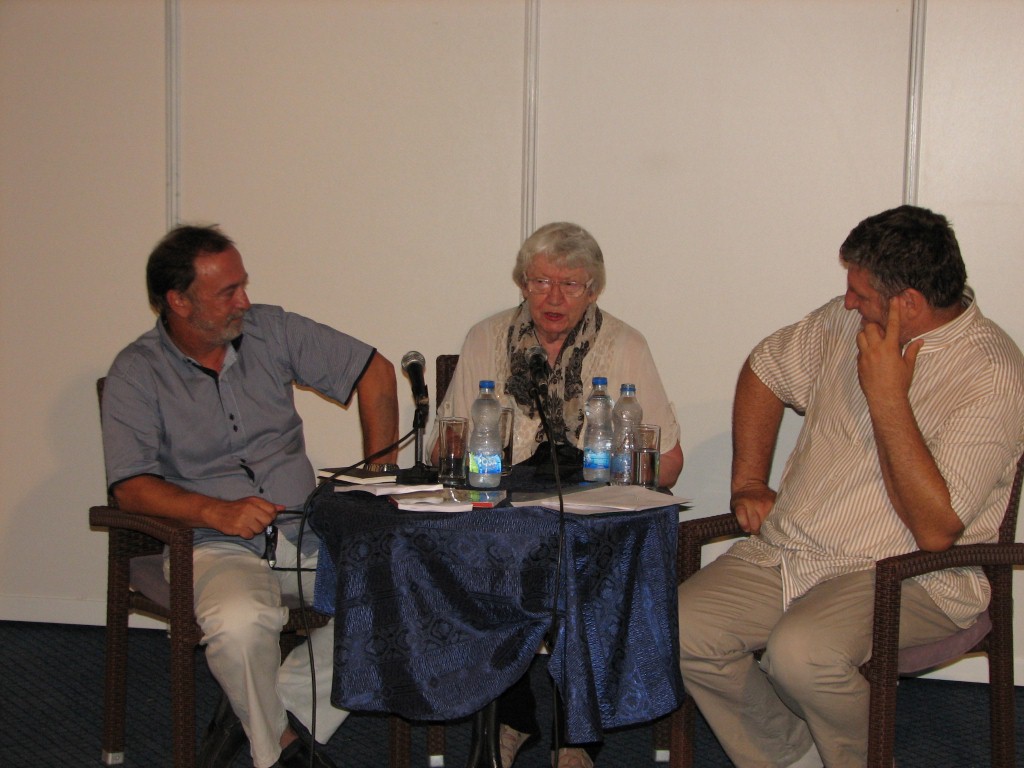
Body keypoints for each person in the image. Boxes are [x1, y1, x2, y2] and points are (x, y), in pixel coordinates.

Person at [677, 205, 1024, 767]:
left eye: (860, 293)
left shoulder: (992, 374)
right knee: (679, 627)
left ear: (908, 302)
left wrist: (887, 395)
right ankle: (791, 756)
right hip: (792, 551)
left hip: (911, 573)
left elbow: (936, 532)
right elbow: (766, 368)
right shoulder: (844, 324)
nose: (847, 303)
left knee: (802, 653)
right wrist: (748, 482)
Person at [101, 225, 399, 768]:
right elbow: (130, 489)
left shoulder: (272, 330)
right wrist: (215, 511)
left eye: (243, 284)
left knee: (402, 589)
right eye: (227, 292)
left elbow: (374, 372)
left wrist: (378, 477)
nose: (244, 300)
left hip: (306, 532)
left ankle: (273, 713)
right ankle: (279, 751)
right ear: (179, 301)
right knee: (239, 624)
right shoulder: (136, 373)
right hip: (211, 545)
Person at [431, 221, 684, 768]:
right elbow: (444, 445)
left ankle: (576, 732)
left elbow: (668, 461)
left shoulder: (625, 345)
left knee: (585, 560)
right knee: (487, 553)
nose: (554, 298)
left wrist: (621, 472)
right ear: (522, 282)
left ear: (593, 290)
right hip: (506, 501)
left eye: (570, 285)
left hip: (591, 505)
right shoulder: (485, 338)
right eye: (541, 282)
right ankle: (512, 715)